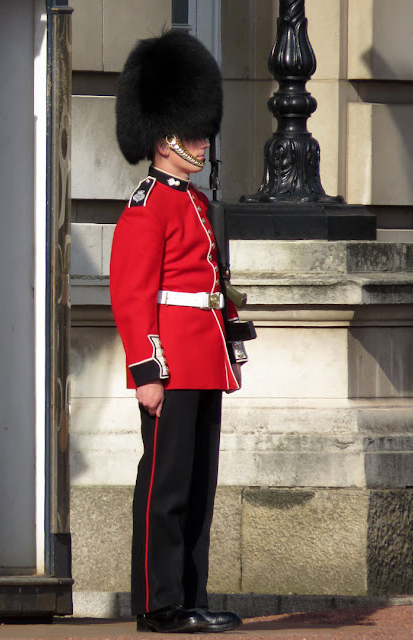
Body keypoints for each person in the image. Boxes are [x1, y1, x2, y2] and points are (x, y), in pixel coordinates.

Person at [110, 30, 247, 634]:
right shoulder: (148, 206)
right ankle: (158, 603)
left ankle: (190, 596)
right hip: (170, 366)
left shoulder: (193, 202)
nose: (202, 140)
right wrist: (147, 372)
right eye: (193, 132)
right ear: (166, 137)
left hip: (204, 360)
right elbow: (131, 296)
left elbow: (209, 283)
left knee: (197, 487)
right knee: (164, 488)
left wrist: (230, 340)